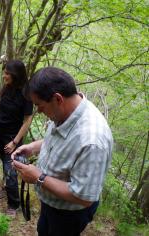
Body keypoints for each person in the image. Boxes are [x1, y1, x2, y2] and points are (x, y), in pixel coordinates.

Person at [11, 67, 113, 235]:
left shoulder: (93, 140)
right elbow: (62, 141)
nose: (39, 111)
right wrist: (33, 147)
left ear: (57, 99)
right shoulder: (66, 111)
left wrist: (38, 177)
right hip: (51, 201)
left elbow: (84, 197)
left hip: (69, 213)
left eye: (40, 106)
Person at [0, 60, 33, 216]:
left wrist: (15, 141)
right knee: (5, 164)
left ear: (16, 75)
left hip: (12, 137)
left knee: (10, 169)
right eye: (4, 72)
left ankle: (14, 204)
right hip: (0, 133)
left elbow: (28, 119)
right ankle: (6, 187)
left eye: (7, 73)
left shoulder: (26, 93)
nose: (4, 76)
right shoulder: (7, 87)